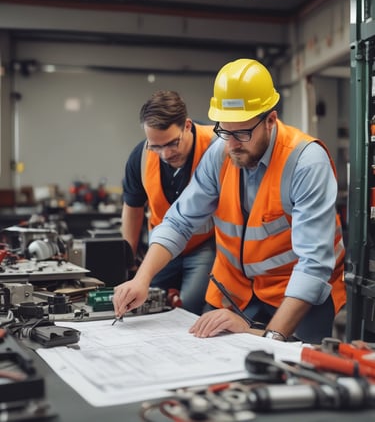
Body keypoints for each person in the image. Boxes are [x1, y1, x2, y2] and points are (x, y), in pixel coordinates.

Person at [114, 59, 346, 344]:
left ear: (270, 121)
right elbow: (179, 221)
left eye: (242, 133)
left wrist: (268, 336)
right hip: (235, 292)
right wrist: (142, 278)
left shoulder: (306, 163)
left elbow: (313, 265)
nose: (232, 144)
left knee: (293, 370)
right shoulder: (221, 153)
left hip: (297, 297)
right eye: (225, 131)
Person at [120, 90, 216, 315]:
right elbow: (133, 209)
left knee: (190, 305)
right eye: (156, 146)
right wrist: (128, 262)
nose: (165, 154)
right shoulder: (140, 157)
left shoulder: (215, 147)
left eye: (172, 143)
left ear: (187, 126)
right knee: (147, 303)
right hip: (161, 246)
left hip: (203, 245)